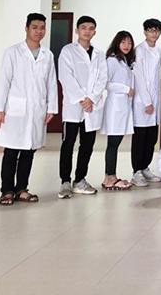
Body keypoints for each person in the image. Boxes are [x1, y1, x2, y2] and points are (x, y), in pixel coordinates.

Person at [0, 13, 58, 206]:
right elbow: (4, 81)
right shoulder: (13, 52)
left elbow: (51, 82)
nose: (39, 31)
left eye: (42, 28)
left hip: (37, 109)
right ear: (27, 28)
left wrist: (51, 107)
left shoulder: (47, 55)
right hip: (16, 109)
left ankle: (22, 189)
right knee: (11, 151)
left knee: (29, 150)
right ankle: (7, 191)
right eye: (35, 27)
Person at [58, 15, 108, 199]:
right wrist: (82, 98)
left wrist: (92, 98)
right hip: (74, 106)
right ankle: (65, 181)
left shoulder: (99, 54)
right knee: (68, 144)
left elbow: (103, 78)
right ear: (77, 30)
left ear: (95, 32)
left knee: (87, 145)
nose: (87, 31)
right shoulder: (68, 51)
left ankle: (80, 180)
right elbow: (65, 76)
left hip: (91, 107)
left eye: (91, 28)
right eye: (84, 27)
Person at [100, 31, 136, 191]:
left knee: (115, 143)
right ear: (117, 43)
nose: (127, 45)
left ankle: (109, 177)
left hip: (123, 107)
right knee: (113, 144)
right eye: (123, 42)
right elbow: (106, 83)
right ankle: (110, 178)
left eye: (129, 43)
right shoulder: (112, 60)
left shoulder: (125, 61)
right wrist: (126, 89)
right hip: (115, 108)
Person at [131, 18, 161, 187]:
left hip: (155, 103)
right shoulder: (139, 50)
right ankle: (136, 171)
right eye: (150, 30)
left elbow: (157, 79)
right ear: (145, 32)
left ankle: (145, 168)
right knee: (140, 138)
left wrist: (154, 102)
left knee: (151, 138)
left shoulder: (158, 50)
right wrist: (147, 102)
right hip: (142, 102)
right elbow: (140, 78)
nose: (154, 33)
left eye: (156, 30)